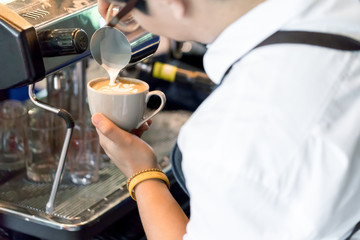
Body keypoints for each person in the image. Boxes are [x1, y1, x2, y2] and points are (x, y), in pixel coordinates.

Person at [92, 0, 360, 239]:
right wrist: (149, 16)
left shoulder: (232, 142)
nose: (109, 10)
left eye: (122, 5)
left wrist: (141, 172)